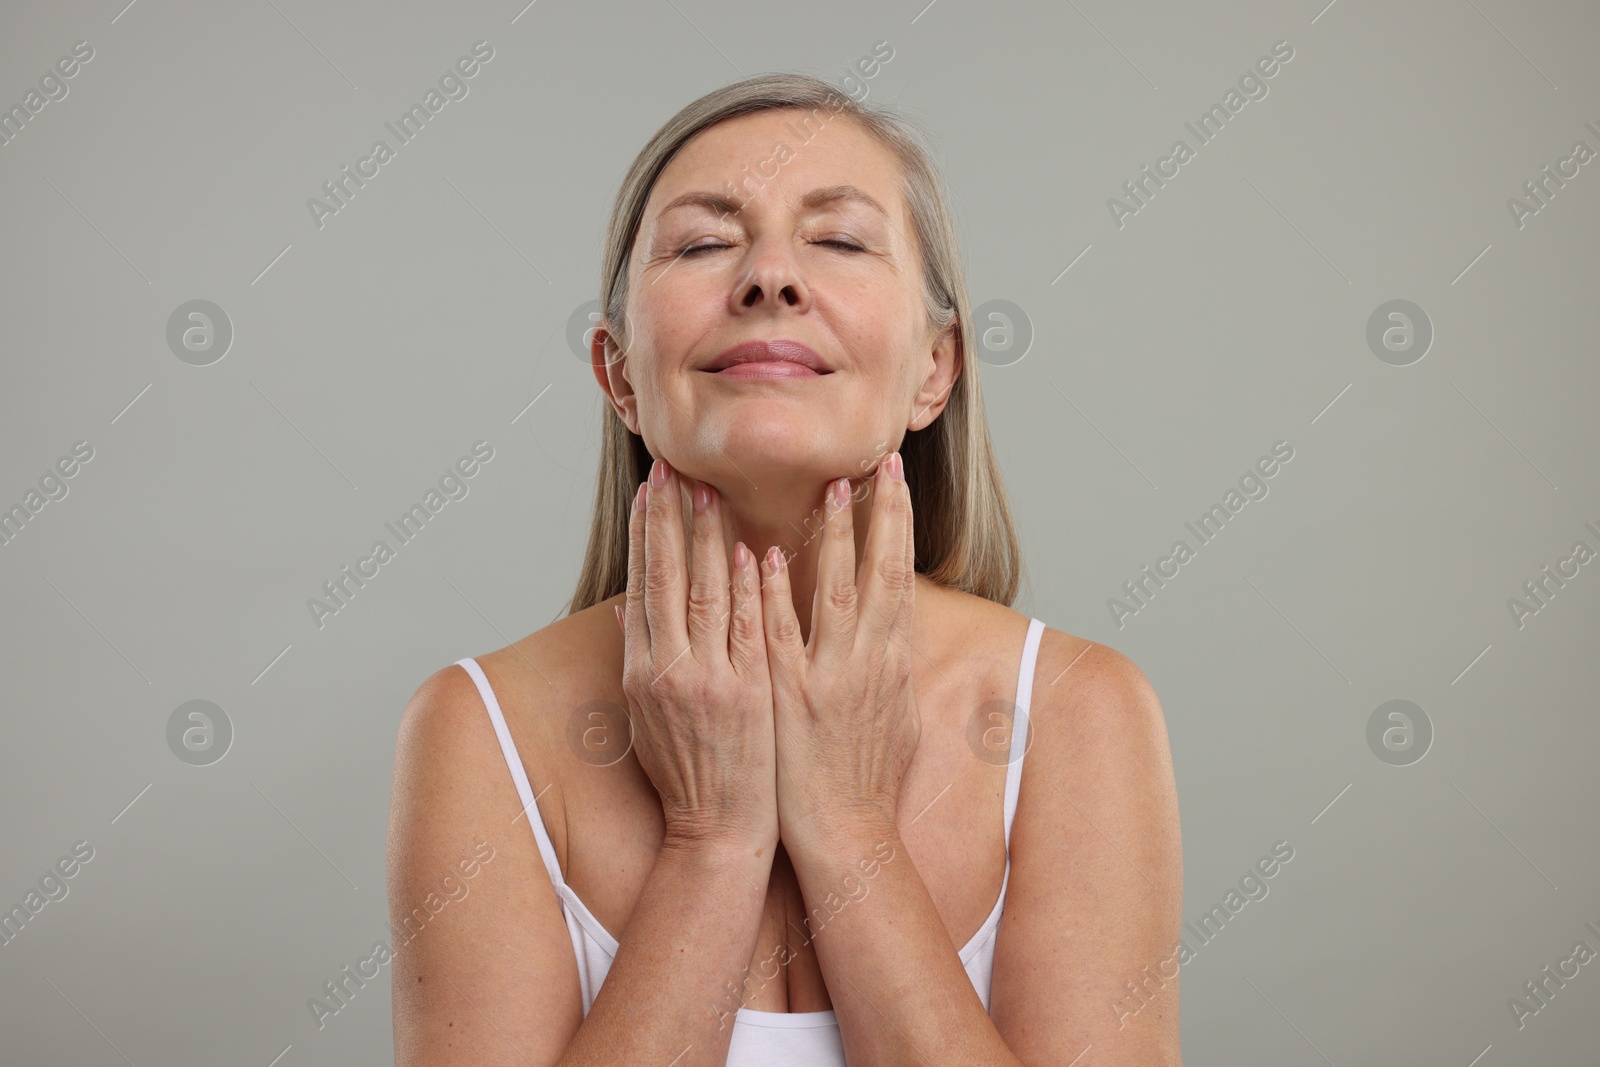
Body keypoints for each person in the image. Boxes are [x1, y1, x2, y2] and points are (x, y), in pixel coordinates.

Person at [386, 71, 1182, 1066]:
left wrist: (848, 825)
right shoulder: (478, 727)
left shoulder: (1074, 710)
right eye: (704, 242)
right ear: (620, 373)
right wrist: (712, 841)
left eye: (839, 239)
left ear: (935, 368)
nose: (770, 277)